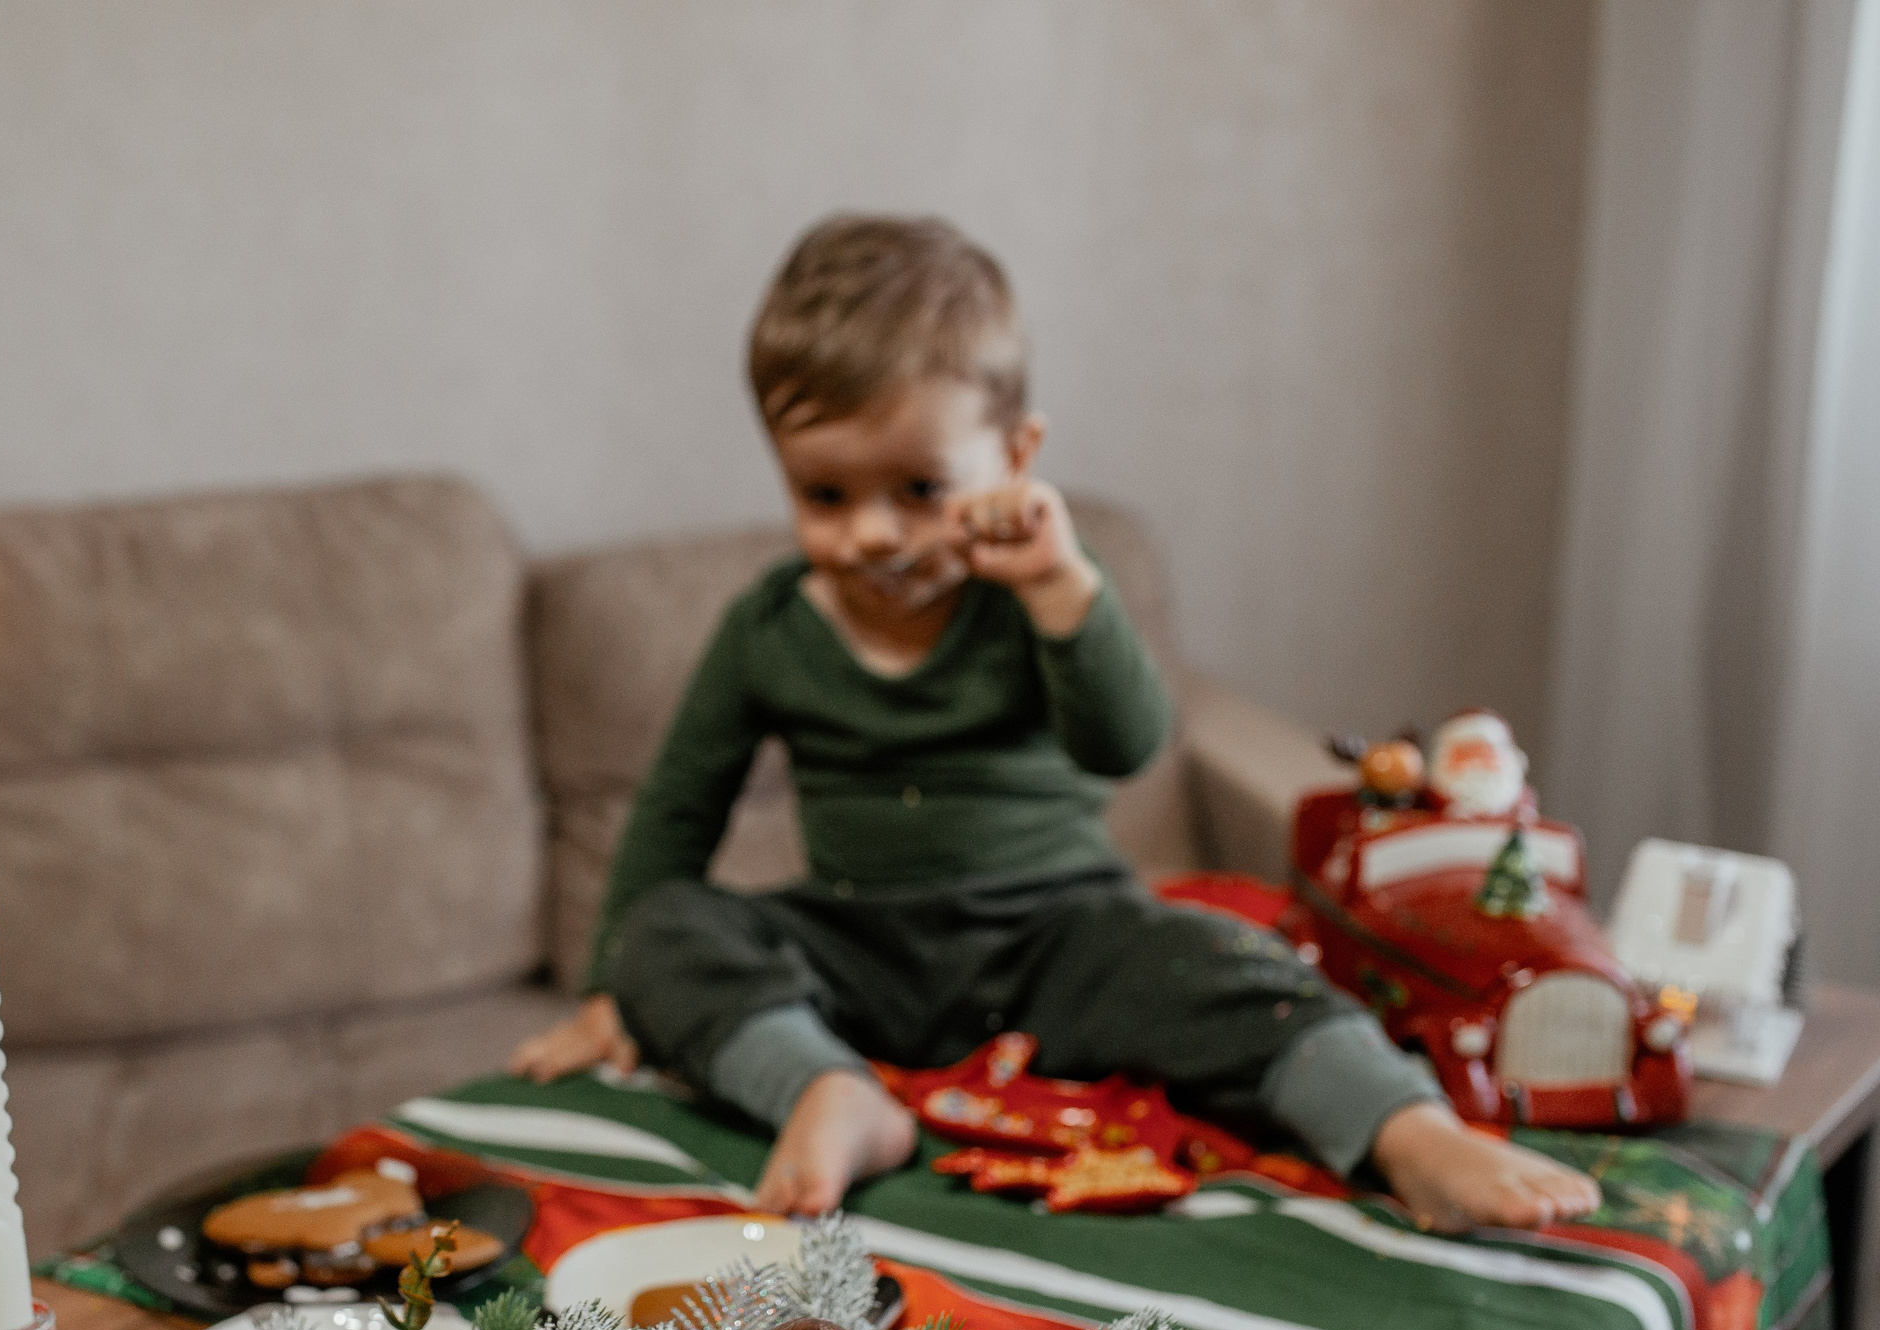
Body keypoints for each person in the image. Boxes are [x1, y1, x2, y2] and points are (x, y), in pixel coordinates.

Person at [509, 213, 1601, 1235]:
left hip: (1057, 930)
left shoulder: (1042, 594)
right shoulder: (767, 626)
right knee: (669, 928)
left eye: (918, 487)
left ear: (1016, 456)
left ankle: (1405, 1130)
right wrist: (619, 983)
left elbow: (1127, 741)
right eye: (825, 496)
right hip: (857, 947)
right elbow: (672, 815)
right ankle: (829, 1090)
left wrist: (1064, 591)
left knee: (1220, 960)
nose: (872, 533)